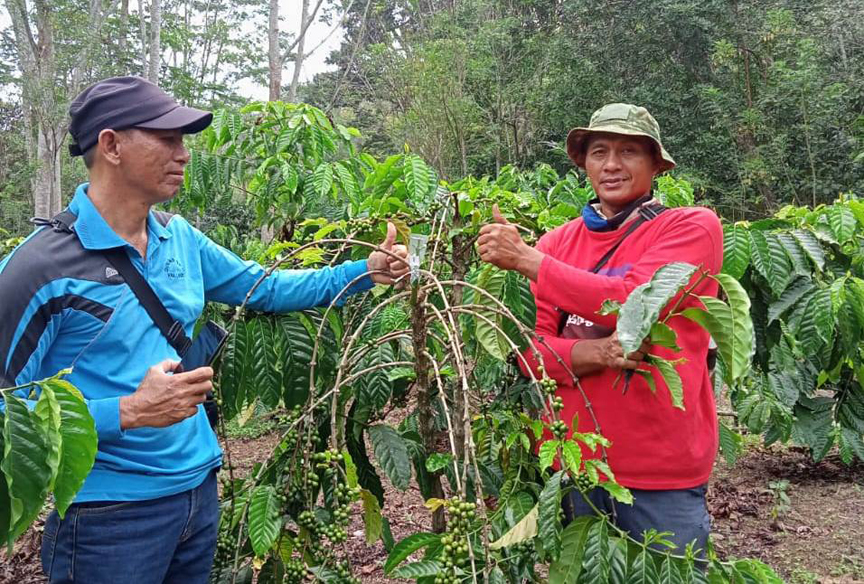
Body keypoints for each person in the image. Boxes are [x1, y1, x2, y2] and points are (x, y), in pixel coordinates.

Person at [0, 76, 408, 584]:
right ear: (111, 145)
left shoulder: (180, 239)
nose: (184, 154)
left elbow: (265, 287)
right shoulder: (37, 267)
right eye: (166, 138)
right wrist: (125, 412)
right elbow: (5, 407)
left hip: (196, 496)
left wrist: (364, 271)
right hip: (106, 515)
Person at [477, 103, 722, 553]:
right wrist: (598, 353)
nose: (612, 164)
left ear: (655, 165)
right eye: (599, 151)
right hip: (576, 462)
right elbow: (529, 351)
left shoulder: (692, 227)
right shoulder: (557, 244)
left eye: (629, 151)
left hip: (661, 471)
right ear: (584, 163)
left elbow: (636, 304)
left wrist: (529, 261)